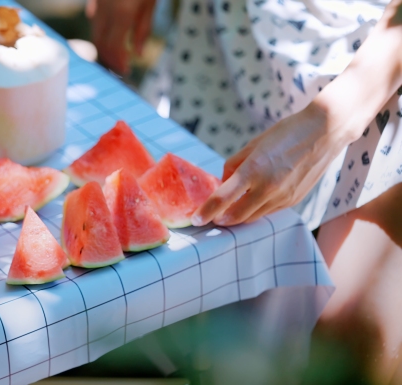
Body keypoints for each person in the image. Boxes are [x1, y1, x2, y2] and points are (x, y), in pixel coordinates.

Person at [89, 0, 402, 382]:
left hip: (378, 81)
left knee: (345, 352)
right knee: (192, 354)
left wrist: (331, 122)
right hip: (227, 41)